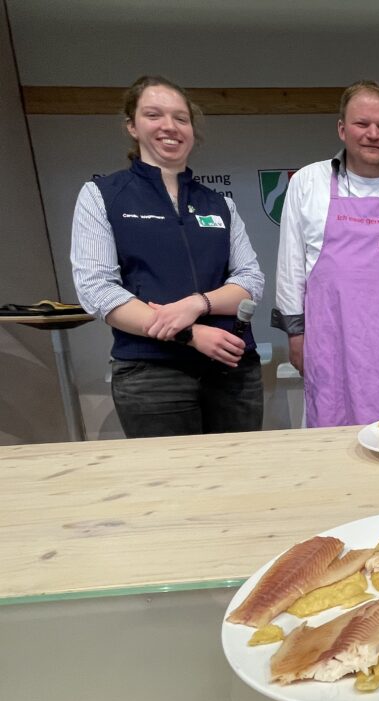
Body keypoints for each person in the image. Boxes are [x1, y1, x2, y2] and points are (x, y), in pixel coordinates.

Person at [70, 75, 265, 438]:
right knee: (173, 490)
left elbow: (250, 280)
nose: (169, 127)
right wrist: (188, 335)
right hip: (151, 374)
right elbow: (98, 290)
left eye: (180, 117)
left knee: (242, 483)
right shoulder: (102, 195)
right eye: (154, 115)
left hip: (232, 367)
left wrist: (197, 304)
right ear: (132, 125)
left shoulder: (219, 204)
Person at [273, 80, 379, 427]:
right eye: (362, 124)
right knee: (332, 436)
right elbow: (290, 268)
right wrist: (295, 334)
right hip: (329, 344)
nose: (373, 134)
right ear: (341, 128)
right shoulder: (307, 183)